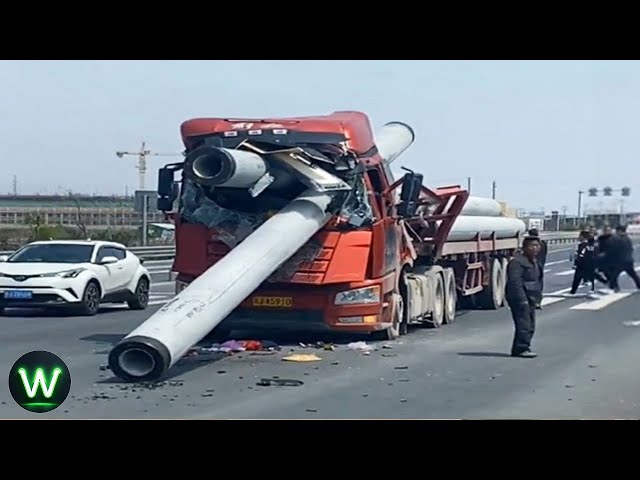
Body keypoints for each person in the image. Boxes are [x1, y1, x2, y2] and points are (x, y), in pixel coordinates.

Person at [505, 236, 542, 358]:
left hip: (531, 298)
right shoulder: (517, 262)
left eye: (537, 245)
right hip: (520, 298)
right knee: (523, 324)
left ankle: (523, 346)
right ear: (525, 248)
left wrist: (538, 299)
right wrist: (522, 300)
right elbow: (515, 282)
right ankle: (521, 348)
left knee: (531, 325)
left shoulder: (535, 262)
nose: (535, 248)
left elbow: (538, 281)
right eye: (532, 246)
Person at [607, 225, 640, 292]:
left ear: (619, 231)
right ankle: (639, 285)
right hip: (628, 260)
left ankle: (614, 287)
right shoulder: (628, 239)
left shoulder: (617, 239)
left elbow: (613, 249)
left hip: (620, 261)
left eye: (616, 231)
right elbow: (631, 249)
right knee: (633, 275)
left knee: (613, 275)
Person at [570, 231, 597, 295]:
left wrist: (576, 263)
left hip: (582, 264)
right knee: (591, 277)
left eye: (580, 236)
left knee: (577, 278)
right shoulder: (593, 244)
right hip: (591, 263)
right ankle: (592, 289)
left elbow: (580, 254)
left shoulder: (582, 245)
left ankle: (573, 291)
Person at [527, 228, 547, 309]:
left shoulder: (530, 245)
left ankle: (532, 301)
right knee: (539, 284)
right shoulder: (543, 243)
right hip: (540, 265)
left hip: (532, 266)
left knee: (531, 284)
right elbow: (544, 255)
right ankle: (538, 302)